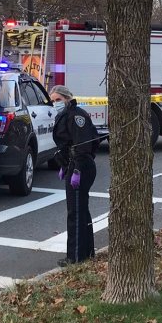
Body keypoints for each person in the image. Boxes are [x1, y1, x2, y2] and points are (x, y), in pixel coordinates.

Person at [50, 84, 99, 267]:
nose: (55, 103)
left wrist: (76, 169)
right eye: (53, 100)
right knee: (80, 211)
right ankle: (86, 252)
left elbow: (83, 145)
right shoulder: (65, 115)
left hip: (81, 166)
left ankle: (76, 257)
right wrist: (65, 164)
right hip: (74, 164)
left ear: (67, 99)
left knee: (75, 213)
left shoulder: (76, 116)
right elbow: (66, 144)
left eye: (58, 100)